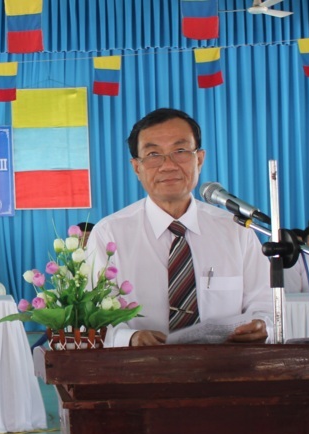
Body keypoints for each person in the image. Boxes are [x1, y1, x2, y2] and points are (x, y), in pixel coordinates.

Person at [86, 108, 272, 347]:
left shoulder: (236, 230)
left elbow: (265, 303)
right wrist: (129, 338)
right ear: (136, 167)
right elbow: (92, 315)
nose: (168, 165)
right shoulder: (109, 234)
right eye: (153, 154)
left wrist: (262, 323)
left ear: (200, 159)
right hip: (139, 371)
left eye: (180, 151)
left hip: (226, 369)